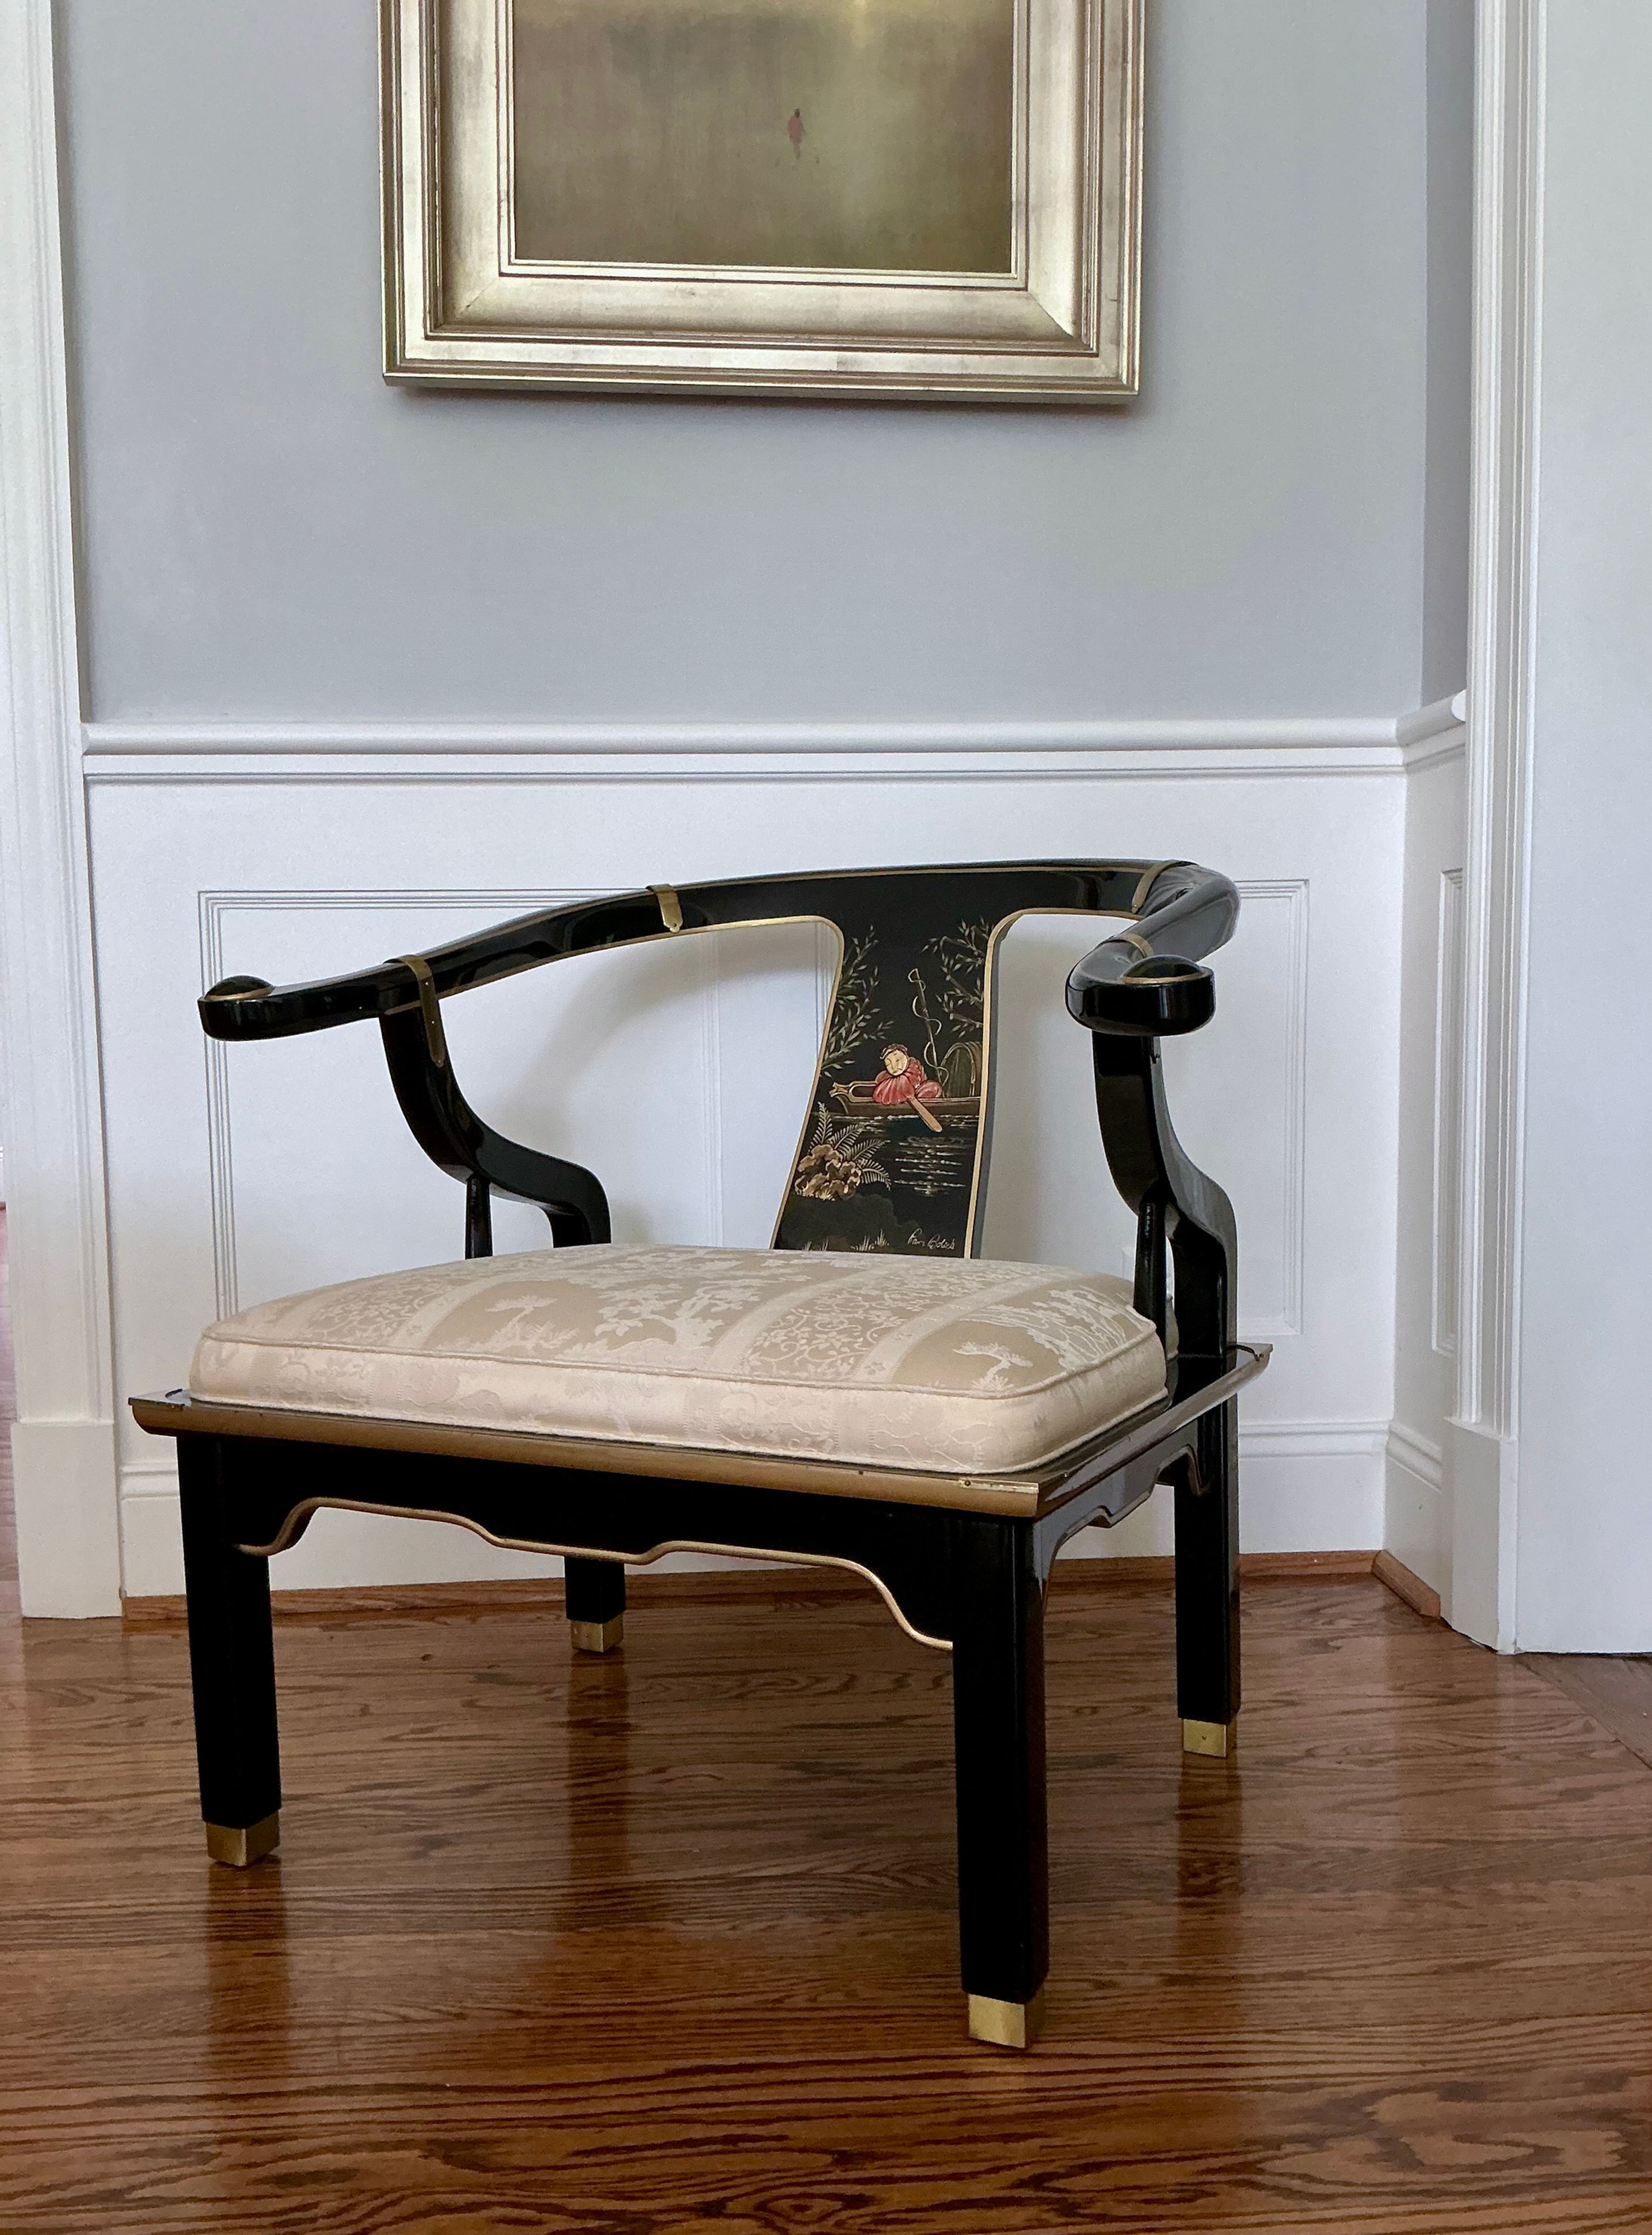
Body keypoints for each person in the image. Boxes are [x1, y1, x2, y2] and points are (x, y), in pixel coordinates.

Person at [871, 1045, 942, 1106]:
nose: (894, 1067)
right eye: (888, 1064)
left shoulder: (913, 1068)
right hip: (907, 1102)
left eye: (898, 1061)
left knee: (933, 1087)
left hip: (919, 1096)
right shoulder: (887, 1080)